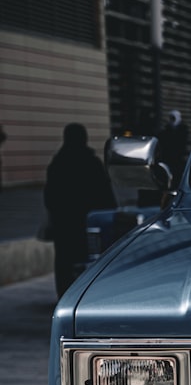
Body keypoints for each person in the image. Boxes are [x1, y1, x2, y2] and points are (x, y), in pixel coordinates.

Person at [44, 123, 117, 297]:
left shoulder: (58, 162)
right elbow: (104, 192)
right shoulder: (91, 162)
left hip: (63, 222)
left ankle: (63, 295)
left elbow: (49, 195)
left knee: (64, 261)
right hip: (88, 222)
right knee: (87, 260)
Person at [157, 109, 188, 187]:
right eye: (171, 118)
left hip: (178, 158)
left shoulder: (182, 129)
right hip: (167, 158)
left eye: (173, 118)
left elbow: (181, 144)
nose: (172, 120)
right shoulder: (166, 131)